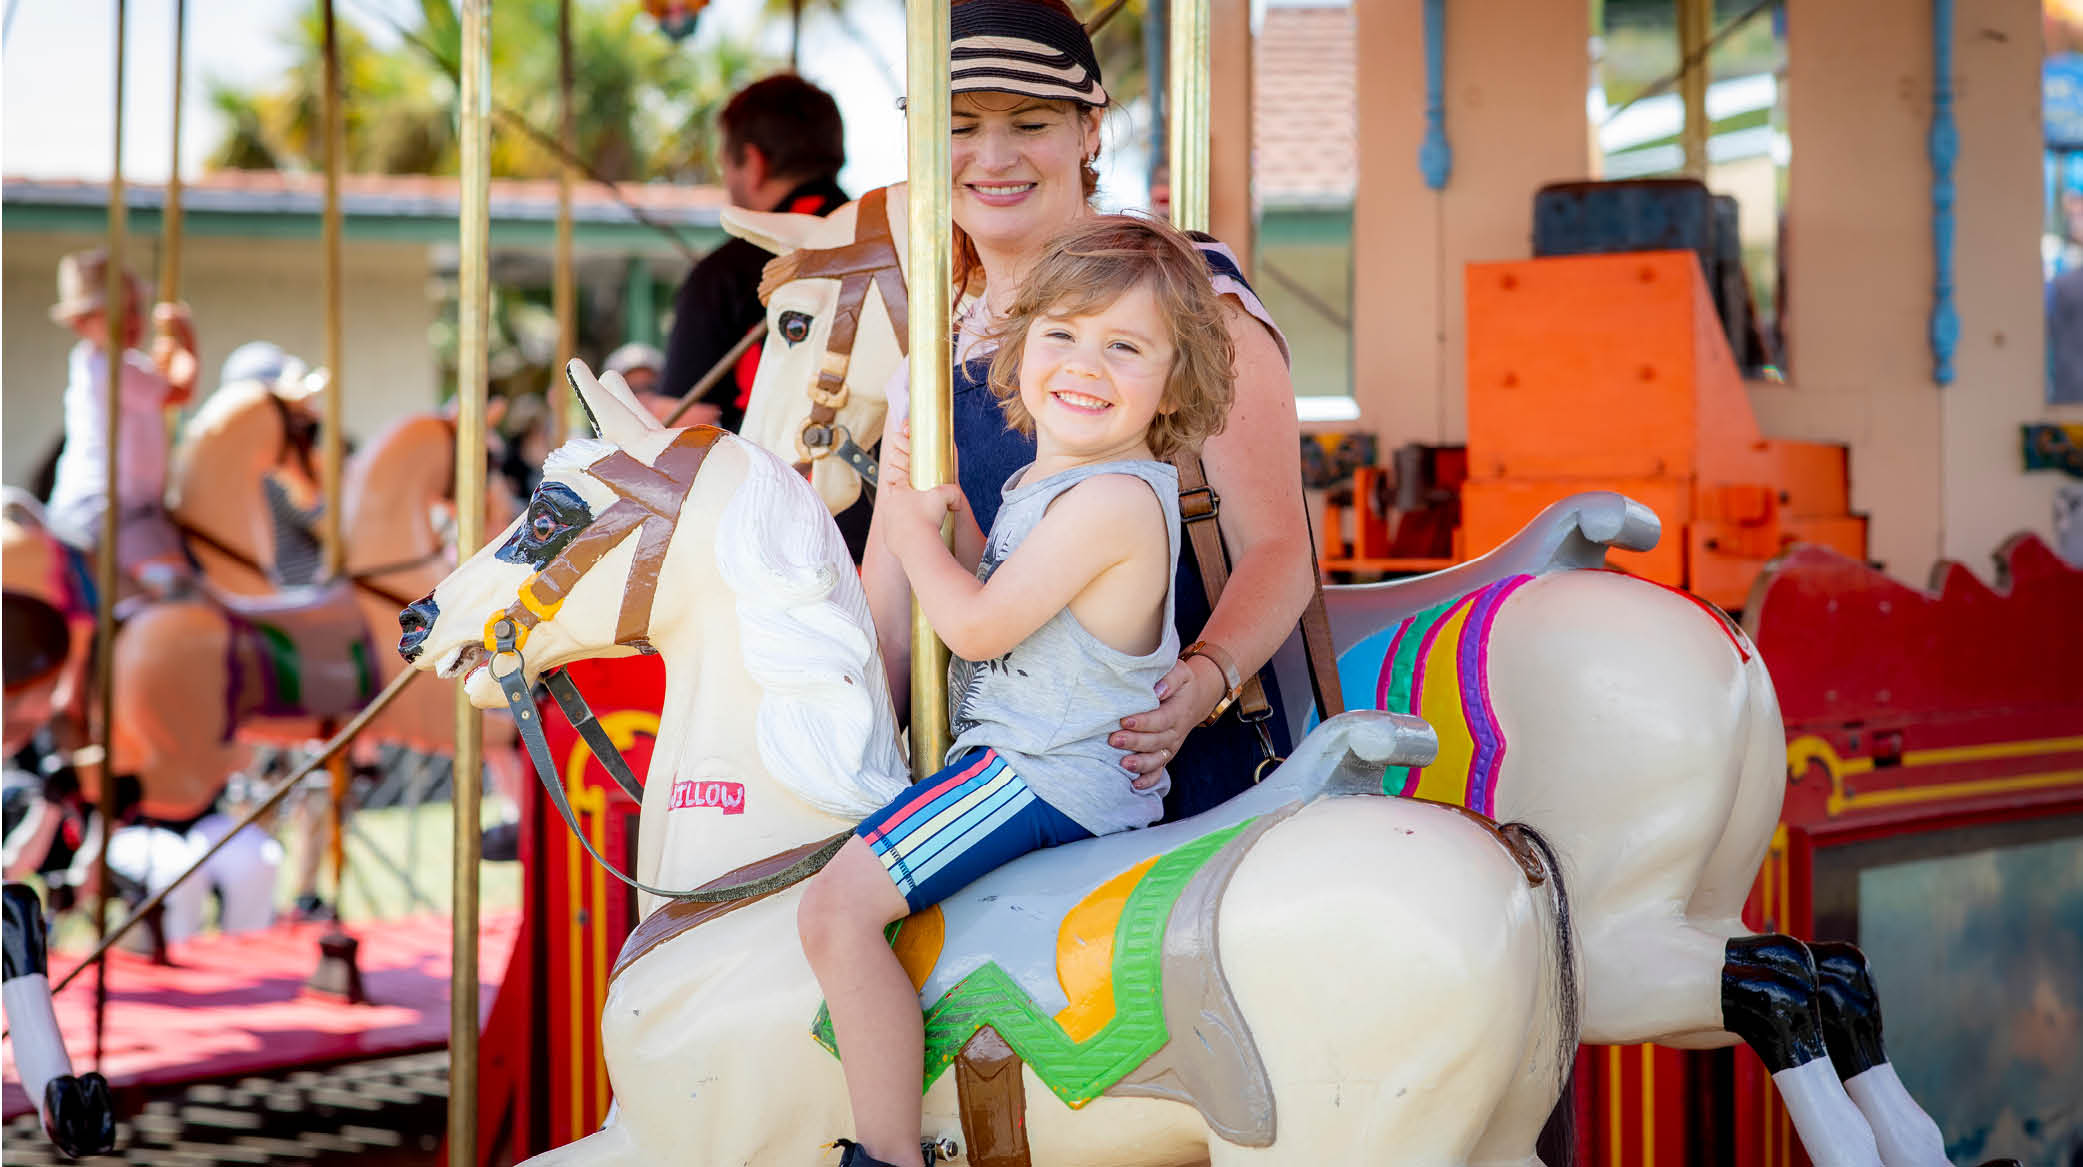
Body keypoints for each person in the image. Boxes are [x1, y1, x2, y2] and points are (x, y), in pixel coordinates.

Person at [798, 214, 1235, 1167]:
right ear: (1022, 344)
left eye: (1126, 346)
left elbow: (978, 627)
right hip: (1032, 759)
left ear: (1175, 379)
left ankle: (885, 1156)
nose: (1086, 364)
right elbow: (998, 597)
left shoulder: (1116, 499)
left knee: (834, 910)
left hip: (1042, 773)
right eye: (1062, 335)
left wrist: (907, 527)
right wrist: (939, 512)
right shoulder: (1052, 482)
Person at [866, 0, 1316, 823]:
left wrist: (1204, 678)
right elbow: (889, 616)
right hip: (1006, 785)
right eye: (959, 126)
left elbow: (1279, 547)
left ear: (1089, 132)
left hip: (1187, 761)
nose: (992, 157)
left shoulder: (1192, 296)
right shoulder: (931, 353)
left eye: (1030, 122)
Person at [659, 74, 850, 433]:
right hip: (893, 479)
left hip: (770, 480)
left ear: (754, 162)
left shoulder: (723, 276)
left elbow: (682, 430)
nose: (726, 181)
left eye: (726, 165)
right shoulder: (894, 247)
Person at [44, 250, 199, 593]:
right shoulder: (111, 367)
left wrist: (168, 353)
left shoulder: (109, 363)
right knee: (179, 591)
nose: (129, 320)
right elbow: (179, 391)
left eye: (133, 309)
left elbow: (158, 379)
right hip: (114, 507)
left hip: (118, 504)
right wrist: (187, 339)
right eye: (113, 312)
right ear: (81, 323)